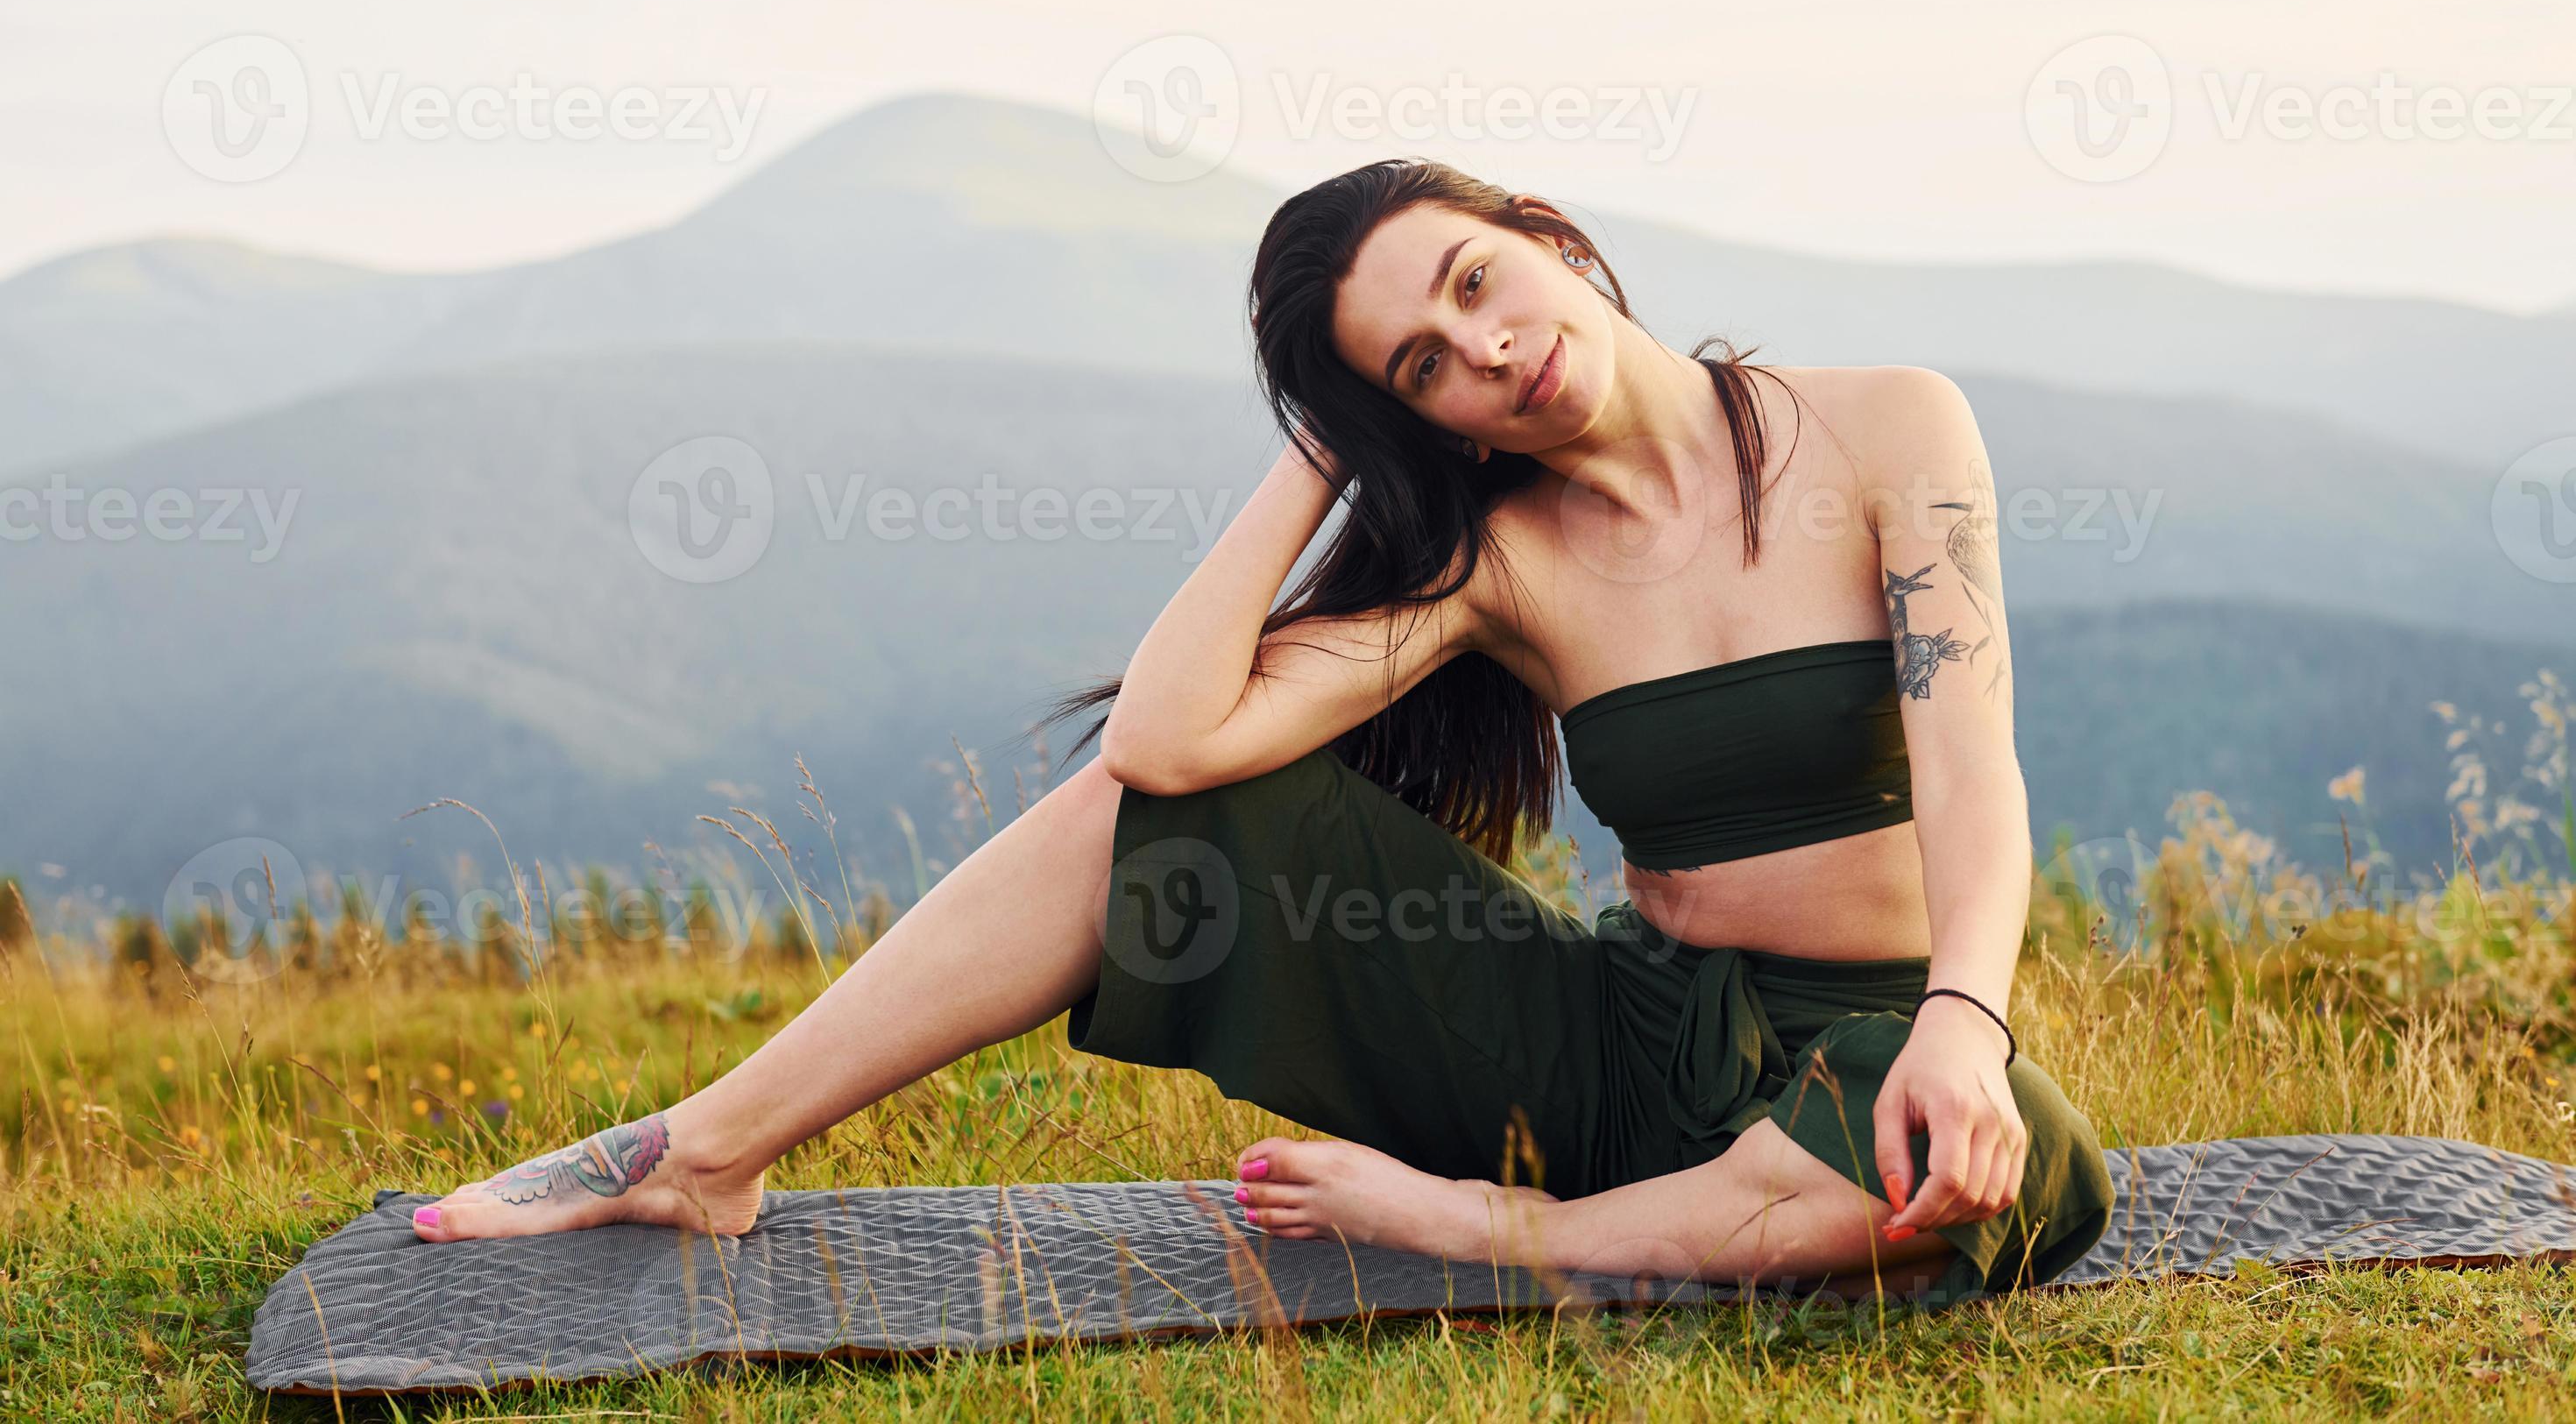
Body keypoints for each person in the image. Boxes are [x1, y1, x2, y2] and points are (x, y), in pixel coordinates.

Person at [409, 159, 2115, 1309]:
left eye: (1478, 280)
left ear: (1552, 235)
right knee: (1140, 817)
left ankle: (1482, 1230)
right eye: (1426, 362)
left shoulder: (1891, 425)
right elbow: (1168, 743)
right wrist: (1327, 443)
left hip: (1885, 1045)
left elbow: (1973, 766)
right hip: (1620, 1043)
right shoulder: (1495, 560)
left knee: (2007, 1151)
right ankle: (703, 1152)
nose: (1489, 345)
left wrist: (1963, 1015)